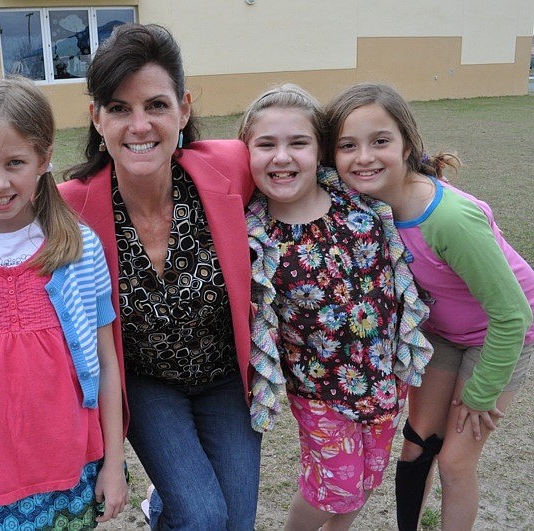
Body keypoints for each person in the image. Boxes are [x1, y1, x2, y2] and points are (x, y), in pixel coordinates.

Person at [60, 23, 262, 530]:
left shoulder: (230, 168)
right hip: (148, 386)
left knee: (235, 524)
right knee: (201, 517)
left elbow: (310, 163)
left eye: (156, 105)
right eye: (119, 109)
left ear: (184, 109)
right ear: (97, 119)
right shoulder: (71, 206)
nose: (140, 125)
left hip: (224, 378)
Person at [0, 77, 128, 531]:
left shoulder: (79, 249)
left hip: (72, 467)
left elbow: (108, 364)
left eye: (15, 162)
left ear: (44, 157)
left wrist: (114, 463)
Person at [324, 82, 534, 530]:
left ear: (407, 144)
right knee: (418, 442)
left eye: (380, 141)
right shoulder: (365, 206)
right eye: (347, 146)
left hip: (503, 333)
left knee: (456, 460)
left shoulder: (449, 219)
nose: (364, 157)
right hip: (442, 332)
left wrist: (479, 395)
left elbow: (512, 315)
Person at [239, 84, 431, 530]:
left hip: (384, 376)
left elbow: (405, 173)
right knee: (335, 486)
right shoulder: (251, 235)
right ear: (245, 153)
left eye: (298, 143)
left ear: (320, 150)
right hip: (320, 391)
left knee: (367, 480)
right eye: (266, 144)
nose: (282, 157)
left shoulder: (359, 200)